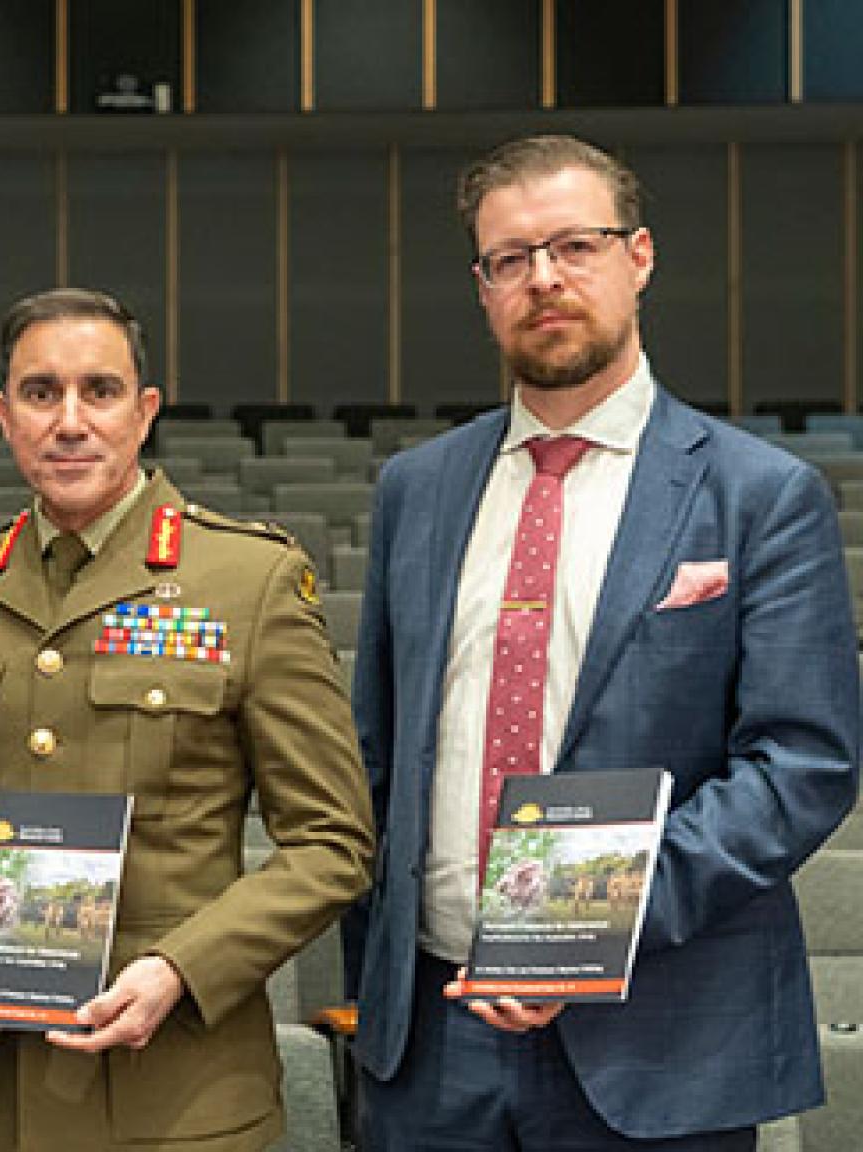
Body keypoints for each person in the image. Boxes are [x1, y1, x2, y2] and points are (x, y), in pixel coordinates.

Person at [345, 134, 861, 1149]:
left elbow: (801, 764)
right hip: (430, 1046)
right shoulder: (416, 490)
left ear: (638, 256)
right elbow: (375, 754)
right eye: (508, 258)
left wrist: (576, 930)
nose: (542, 279)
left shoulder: (757, 496)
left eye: (573, 245)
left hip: (657, 1039)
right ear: (481, 286)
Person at [0, 287, 374, 1151]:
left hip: (178, 1095)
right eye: (41, 393)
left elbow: (333, 844)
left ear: (145, 411)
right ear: (3, 415)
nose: (70, 421)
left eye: (99, 391)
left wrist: (184, 967)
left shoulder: (248, 580)